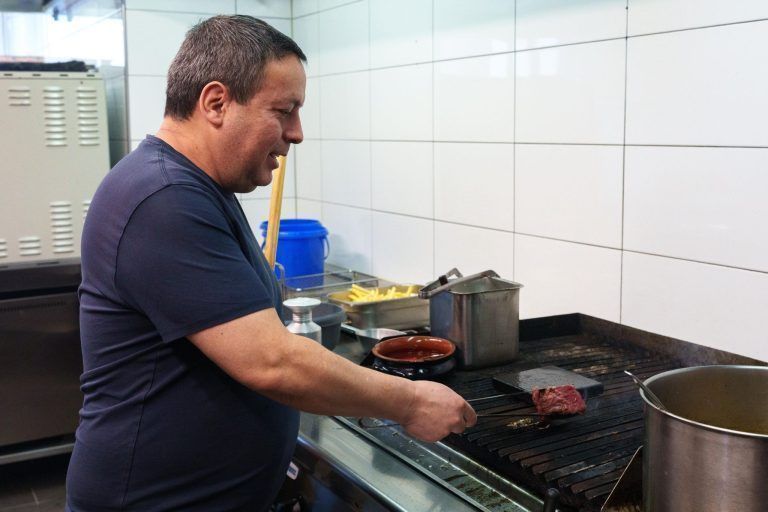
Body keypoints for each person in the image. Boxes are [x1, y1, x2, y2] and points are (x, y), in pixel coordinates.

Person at [65, 15, 476, 512]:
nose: (296, 133)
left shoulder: (194, 186)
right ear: (216, 103)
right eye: (284, 111)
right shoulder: (163, 197)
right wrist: (411, 401)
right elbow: (270, 361)